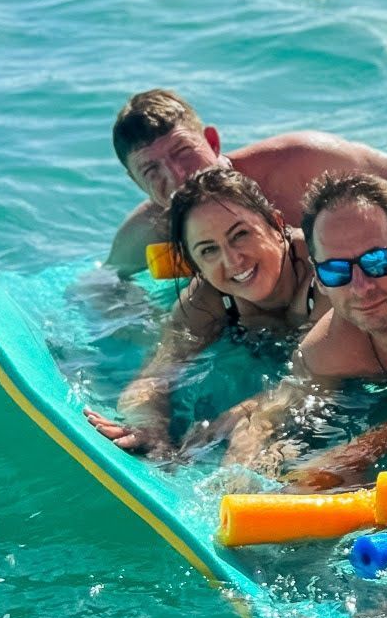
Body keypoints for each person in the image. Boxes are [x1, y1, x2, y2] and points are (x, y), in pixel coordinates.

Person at [220, 172, 387, 476]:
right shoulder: (327, 348)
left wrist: (373, 443)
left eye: (376, 261)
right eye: (336, 270)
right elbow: (286, 405)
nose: (361, 287)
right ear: (319, 278)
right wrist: (250, 436)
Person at [84, 168, 326, 457]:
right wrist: (147, 424)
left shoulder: (329, 271)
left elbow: (325, 378)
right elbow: (153, 377)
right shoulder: (205, 300)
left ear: (276, 223)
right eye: (208, 250)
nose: (232, 260)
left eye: (240, 234)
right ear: (194, 263)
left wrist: (254, 412)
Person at [107, 89, 387, 276]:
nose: (177, 176)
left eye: (183, 152)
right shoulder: (143, 234)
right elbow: (103, 288)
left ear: (213, 142)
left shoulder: (300, 161)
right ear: (135, 182)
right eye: (151, 170)